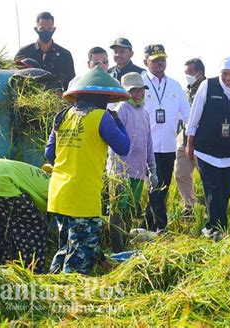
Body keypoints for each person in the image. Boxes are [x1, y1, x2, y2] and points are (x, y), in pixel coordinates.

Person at [45, 66, 130, 274]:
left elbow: (49, 153)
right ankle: (68, 299)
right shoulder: (102, 117)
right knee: (79, 259)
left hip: (59, 194)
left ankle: (50, 291)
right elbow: (124, 147)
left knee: (64, 248)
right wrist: (118, 121)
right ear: (102, 99)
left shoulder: (62, 116)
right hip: (82, 197)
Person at [186, 55, 230, 238]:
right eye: (224, 74)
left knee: (224, 192)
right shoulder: (208, 86)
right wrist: (189, 144)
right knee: (213, 189)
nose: (227, 79)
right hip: (206, 149)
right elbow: (194, 115)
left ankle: (212, 227)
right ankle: (218, 229)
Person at [0, 159, 50, 273]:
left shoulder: (43, 178)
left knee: (3, 229)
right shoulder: (55, 188)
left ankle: (1, 268)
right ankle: (31, 273)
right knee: (34, 228)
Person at [141, 44, 190, 232]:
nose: (159, 63)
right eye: (155, 60)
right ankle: (161, 227)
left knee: (164, 186)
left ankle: (147, 225)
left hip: (168, 146)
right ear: (146, 62)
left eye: (162, 59)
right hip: (147, 146)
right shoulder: (140, 83)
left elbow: (187, 115)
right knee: (154, 187)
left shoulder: (175, 85)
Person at [107, 72, 157, 252]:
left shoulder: (144, 113)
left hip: (138, 171)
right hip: (121, 171)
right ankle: (116, 247)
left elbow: (148, 143)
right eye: (134, 91)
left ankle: (125, 244)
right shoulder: (121, 110)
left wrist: (153, 169)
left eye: (141, 90)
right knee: (118, 209)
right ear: (126, 92)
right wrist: (118, 170)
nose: (138, 94)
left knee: (129, 209)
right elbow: (114, 143)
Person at [175, 58, 206, 216]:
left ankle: (212, 206)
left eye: (190, 73)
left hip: (203, 140)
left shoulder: (210, 90)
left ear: (199, 73)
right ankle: (190, 206)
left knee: (208, 176)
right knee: (181, 173)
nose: (186, 76)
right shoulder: (186, 90)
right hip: (184, 138)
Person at [15, 12, 75, 91]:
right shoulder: (24, 53)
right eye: (42, 28)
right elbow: (14, 77)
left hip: (57, 100)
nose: (46, 31)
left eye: (49, 29)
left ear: (54, 29)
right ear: (36, 29)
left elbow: (71, 82)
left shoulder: (64, 55)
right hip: (28, 98)